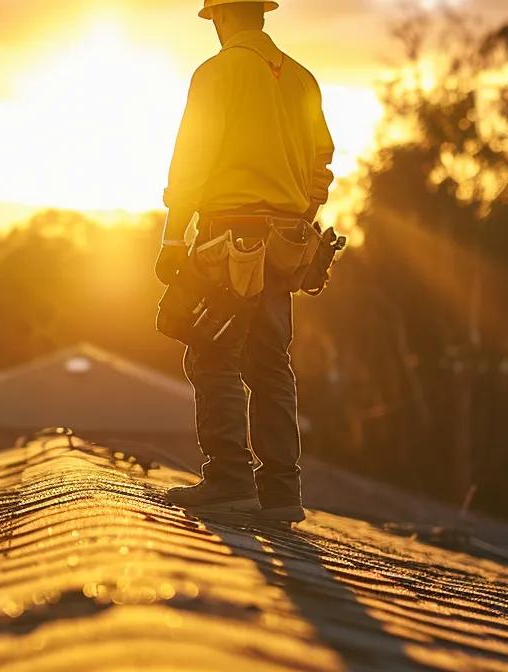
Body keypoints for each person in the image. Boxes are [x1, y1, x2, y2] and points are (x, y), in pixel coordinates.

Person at [153, 0, 335, 522]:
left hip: (228, 239)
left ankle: (229, 481)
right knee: (270, 363)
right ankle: (282, 492)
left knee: (211, 354)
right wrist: (301, 214)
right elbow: (322, 160)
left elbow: (192, 158)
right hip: (284, 242)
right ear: (260, 12)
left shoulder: (217, 72)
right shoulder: (301, 79)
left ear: (222, 16)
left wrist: (171, 238)